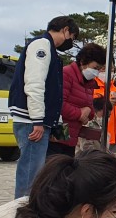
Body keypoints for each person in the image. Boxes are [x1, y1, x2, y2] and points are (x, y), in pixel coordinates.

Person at [8, 15, 79, 198]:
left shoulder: (49, 49)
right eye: (72, 37)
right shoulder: (42, 46)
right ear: (65, 30)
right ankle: (22, 210)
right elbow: (35, 84)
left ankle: (26, 207)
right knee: (31, 172)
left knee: (35, 171)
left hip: (35, 118)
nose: (71, 42)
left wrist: (54, 123)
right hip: (31, 119)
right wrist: (38, 120)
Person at [49, 43, 107, 159]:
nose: (96, 72)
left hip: (73, 135)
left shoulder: (89, 83)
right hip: (59, 132)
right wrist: (79, 114)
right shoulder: (66, 74)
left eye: (99, 69)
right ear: (83, 62)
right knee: (56, 168)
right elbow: (58, 104)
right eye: (95, 68)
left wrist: (88, 112)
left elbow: (90, 110)